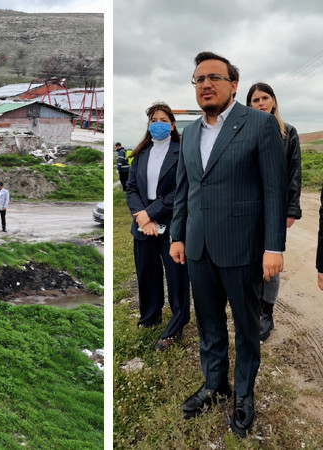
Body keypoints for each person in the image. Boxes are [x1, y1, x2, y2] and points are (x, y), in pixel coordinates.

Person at [169, 51, 287, 438]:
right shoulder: (188, 133)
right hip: (199, 248)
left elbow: (274, 190)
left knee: (247, 327)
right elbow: (185, 191)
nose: (206, 84)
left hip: (242, 249)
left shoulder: (257, 125)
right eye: (199, 79)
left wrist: (274, 247)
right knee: (209, 323)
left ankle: (243, 394)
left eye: (214, 77)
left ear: (233, 84)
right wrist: (177, 235)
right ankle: (214, 384)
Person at [126, 102, 190, 352]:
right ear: (148, 125)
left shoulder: (181, 151)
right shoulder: (140, 153)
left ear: (172, 125)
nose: (158, 124)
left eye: (163, 120)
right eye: (154, 120)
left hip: (171, 218)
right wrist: (142, 217)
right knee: (146, 272)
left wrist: (151, 214)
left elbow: (181, 189)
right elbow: (131, 188)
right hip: (142, 220)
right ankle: (150, 316)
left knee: (176, 275)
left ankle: (178, 321)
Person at [246, 82, 303, 342]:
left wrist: (291, 209)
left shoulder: (287, 133)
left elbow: (294, 174)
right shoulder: (243, 133)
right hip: (247, 209)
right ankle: (252, 308)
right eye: (255, 100)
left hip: (275, 209)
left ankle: (266, 312)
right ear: (248, 106)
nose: (260, 103)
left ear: (273, 101)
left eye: (264, 98)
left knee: (272, 261)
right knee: (249, 259)